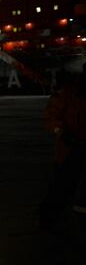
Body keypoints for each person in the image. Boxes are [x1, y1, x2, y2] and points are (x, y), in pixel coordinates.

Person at [40, 62, 86, 229]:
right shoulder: (66, 95)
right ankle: (49, 219)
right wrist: (62, 132)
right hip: (70, 149)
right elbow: (50, 118)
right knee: (61, 186)